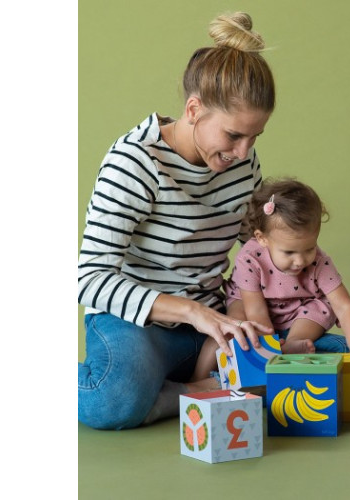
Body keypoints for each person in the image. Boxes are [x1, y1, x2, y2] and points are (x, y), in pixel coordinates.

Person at [78, 12, 280, 430]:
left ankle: (179, 389)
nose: (243, 153)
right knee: (110, 401)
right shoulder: (135, 161)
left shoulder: (242, 164)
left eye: (254, 137)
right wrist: (193, 312)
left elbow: (255, 248)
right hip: (138, 325)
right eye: (233, 135)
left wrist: (268, 303)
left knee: (325, 354)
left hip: (210, 324)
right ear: (193, 109)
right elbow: (90, 279)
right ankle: (202, 390)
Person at [191, 178, 350, 381]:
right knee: (233, 327)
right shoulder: (250, 258)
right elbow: (256, 312)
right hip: (251, 303)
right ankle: (197, 380)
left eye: (309, 249)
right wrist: (269, 349)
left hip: (299, 307)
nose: (300, 261)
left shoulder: (320, 262)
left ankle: (293, 343)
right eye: (289, 252)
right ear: (262, 238)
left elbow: (345, 307)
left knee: (323, 307)